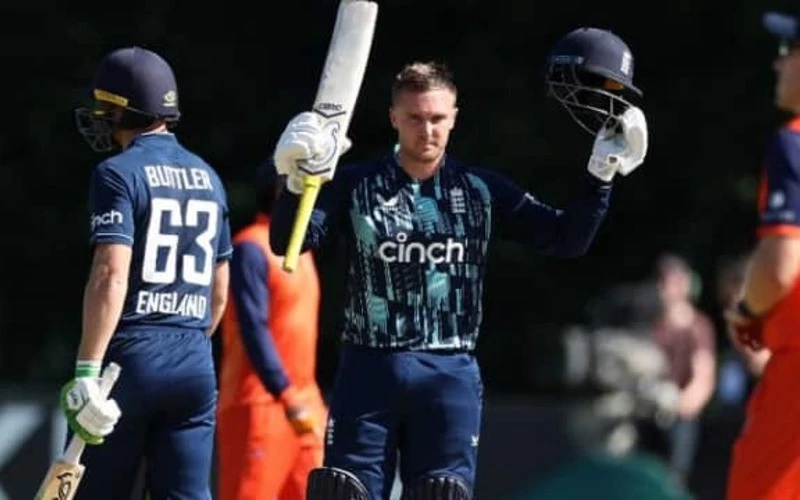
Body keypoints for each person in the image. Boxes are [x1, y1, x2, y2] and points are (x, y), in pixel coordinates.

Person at [270, 27, 649, 500]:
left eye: (437, 118)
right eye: (414, 118)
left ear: (454, 118)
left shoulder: (480, 190)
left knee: (442, 493)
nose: (426, 130)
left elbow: (566, 239)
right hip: (369, 366)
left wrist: (601, 176)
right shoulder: (355, 183)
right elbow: (288, 241)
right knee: (343, 491)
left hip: (448, 371)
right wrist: (293, 181)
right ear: (393, 117)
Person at [61, 46, 232, 498]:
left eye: (105, 106)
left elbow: (110, 274)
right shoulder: (209, 177)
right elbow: (219, 289)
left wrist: (87, 371)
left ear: (123, 108)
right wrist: (188, 343)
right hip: (194, 359)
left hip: (130, 359)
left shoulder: (116, 173)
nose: (99, 115)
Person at [216, 165, 327, 500]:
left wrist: (305, 399)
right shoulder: (251, 247)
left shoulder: (301, 248)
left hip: (306, 403)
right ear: (282, 191)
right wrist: (285, 394)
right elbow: (253, 329)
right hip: (259, 404)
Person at [724, 11, 800, 500]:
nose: (778, 63)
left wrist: (748, 309)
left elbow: (780, 265)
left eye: (788, 50)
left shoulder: (795, 141)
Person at [646, 254, 716, 484]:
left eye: (674, 282)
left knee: (673, 482)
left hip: (679, 418)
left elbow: (703, 377)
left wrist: (677, 406)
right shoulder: (649, 324)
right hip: (646, 413)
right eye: (664, 282)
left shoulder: (698, 326)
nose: (668, 289)